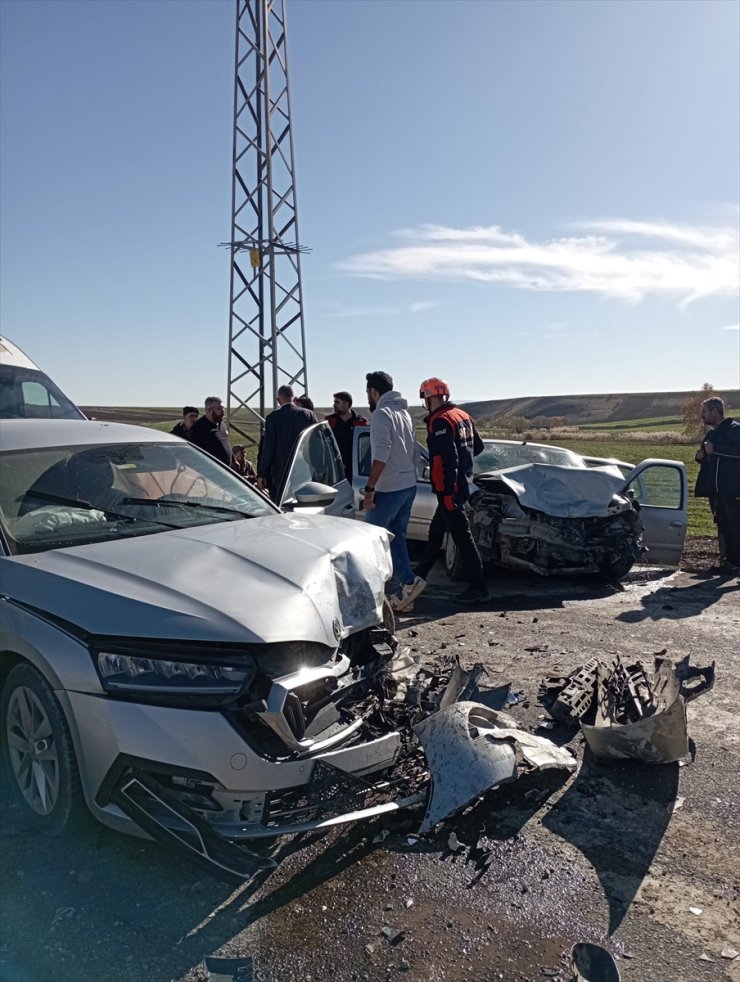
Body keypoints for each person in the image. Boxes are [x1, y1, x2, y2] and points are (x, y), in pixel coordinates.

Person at [414, 377, 488, 604]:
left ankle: (479, 588)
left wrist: (447, 492)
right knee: (436, 533)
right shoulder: (462, 415)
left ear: (428, 397)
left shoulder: (440, 422)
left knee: (463, 538)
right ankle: (418, 578)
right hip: (461, 485)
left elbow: (443, 460)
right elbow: (478, 447)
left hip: (450, 491)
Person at [363, 371, 426, 613]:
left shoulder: (381, 414)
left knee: (370, 540)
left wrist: (370, 488)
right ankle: (404, 592)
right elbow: (413, 452)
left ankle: (372, 594)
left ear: (373, 392)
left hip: (388, 488)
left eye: (368, 393)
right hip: (408, 485)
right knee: (397, 537)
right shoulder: (404, 413)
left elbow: (381, 454)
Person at [695, 397, 740, 571]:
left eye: (704, 412)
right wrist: (700, 457)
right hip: (716, 490)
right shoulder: (711, 433)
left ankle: (736, 563)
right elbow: (708, 456)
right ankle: (728, 562)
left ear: (715, 411)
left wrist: (717, 450)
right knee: (723, 526)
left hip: (732, 488)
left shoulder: (735, 430)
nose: (702, 416)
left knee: (735, 526)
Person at [257, 384, 316, 500]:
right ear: (295, 398)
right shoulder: (308, 415)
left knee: (281, 505)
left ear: (278, 400)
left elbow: (268, 448)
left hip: (280, 473)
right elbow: (315, 445)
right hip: (304, 470)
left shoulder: (272, 418)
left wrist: (262, 474)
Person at [325, 391, 368, 481]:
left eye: (337, 402)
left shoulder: (361, 422)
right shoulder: (329, 421)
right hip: (335, 466)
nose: (334, 405)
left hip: (355, 467)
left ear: (346, 404)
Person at [189, 397, 232, 466]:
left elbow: (226, 444)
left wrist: (233, 460)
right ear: (209, 410)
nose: (223, 411)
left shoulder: (222, 423)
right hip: (211, 472)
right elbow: (196, 456)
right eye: (219, 408)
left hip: (227, 471)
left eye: (223, 408)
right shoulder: (198, 428)